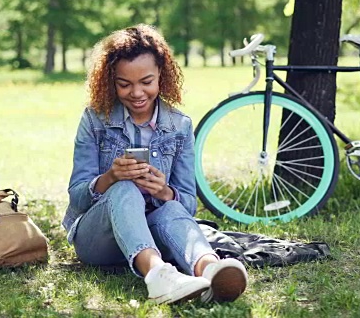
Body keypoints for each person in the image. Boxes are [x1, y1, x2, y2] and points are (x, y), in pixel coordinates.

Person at [62, 24, 248, 304]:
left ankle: (210, 269)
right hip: (98, 241)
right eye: (124, 84)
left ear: (162, 74)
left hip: (155, 232)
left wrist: (164, 192)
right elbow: (77, 195)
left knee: (172, 207)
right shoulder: (94, 120)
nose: (136, 93)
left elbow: (186, 205)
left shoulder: (180, 126)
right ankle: (159, 276)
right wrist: (110, 177)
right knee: (125, 188)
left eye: (146, 82)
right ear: (111, 81)